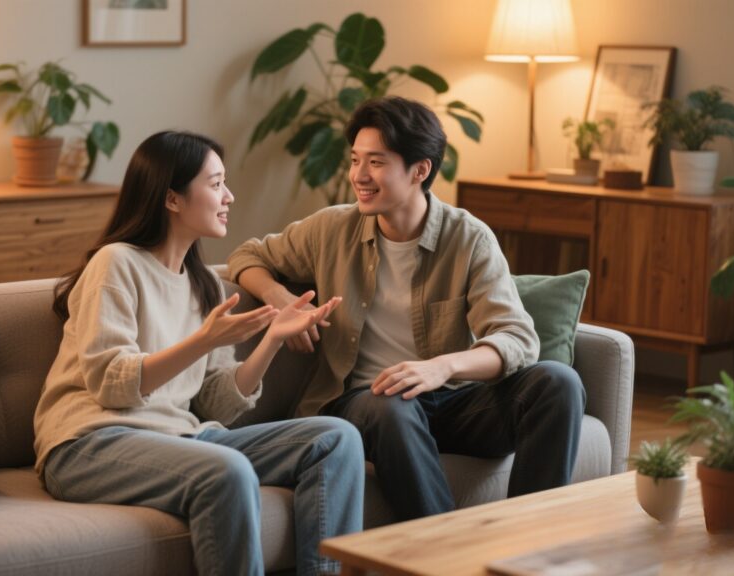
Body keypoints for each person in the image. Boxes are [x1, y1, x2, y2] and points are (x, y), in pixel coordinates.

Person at [228, 96, 585, 522]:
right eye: (355, 159)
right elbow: (246, 256)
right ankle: (442, 558)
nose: (359, 176)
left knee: (557, 382)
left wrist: (442, 368)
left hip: (450, 401)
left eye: (376, 163)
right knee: (391, 402)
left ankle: (528, 549)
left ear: (420, 170)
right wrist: (279, 297)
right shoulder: (331, 228)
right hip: (363, 405)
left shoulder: (468, 238)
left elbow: (517, 338)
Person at [34, 131, 364, 576]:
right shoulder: (116, 263)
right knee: (226, 470)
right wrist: (202, 341)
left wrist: (270, 339)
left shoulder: (203, 284)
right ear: (172, 199)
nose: (228, 197)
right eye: (215, 184)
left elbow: (218, 405)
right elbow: (111, 385)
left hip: (182, 438)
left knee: (336, 439)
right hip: (88, 444)